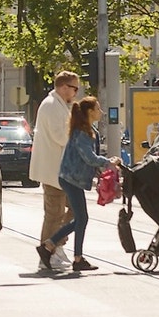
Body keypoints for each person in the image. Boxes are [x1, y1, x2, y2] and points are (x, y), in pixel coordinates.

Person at [38, 96, 121, 274]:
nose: (102, 112)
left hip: (72, 178)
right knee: (82, 219)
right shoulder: (82, 133)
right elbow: (89, 157)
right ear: (90, 112)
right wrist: (108, 162)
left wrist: (103, 168)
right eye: (98, 109)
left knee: (81, 219)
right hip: (70, 179)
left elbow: (89, 160)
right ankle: (53, 248)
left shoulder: (87, 130)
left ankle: (71, 255)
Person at [30, 70, 81, 270]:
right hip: (54, 171)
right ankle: (47, 254)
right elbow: (60, 137)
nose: (76, 92)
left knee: (74, 210)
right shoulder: (51, 106)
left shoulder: (60, 106)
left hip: (62, 171)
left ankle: (56, 245)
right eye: (74, 88)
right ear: (63, 87)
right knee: (54, 213)